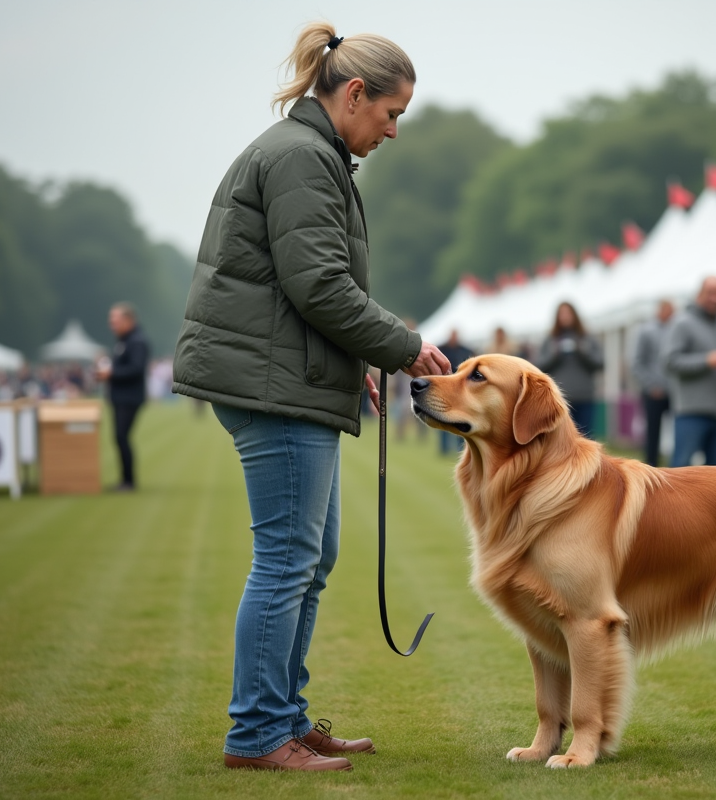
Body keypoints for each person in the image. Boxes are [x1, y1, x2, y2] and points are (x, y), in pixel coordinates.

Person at [171, 22, 451, 773]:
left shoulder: (308, 153)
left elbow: (301, 289)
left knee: (306, 555)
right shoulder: (302, 158)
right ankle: (261, 734)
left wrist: (355, 354)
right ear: (354, 94)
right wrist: (399, 344)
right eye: (392, 113)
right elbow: (318, 285)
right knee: (289, 558)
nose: (393, 130)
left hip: (278, 377)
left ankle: (285, 718)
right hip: (272, 391)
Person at [663, 277, 716, 467]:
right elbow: (670, 361)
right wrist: (706, 361)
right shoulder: (682, 323)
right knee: (681, 470)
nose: (715, 298)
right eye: (710, 293)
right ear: (698, 295)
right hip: (691, 411)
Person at [97, 303, 150, 491]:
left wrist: (111, 373)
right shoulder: (124, 340)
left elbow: (136, 369)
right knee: (120, 437)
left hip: (129, 398)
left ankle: (129, 481)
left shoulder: (136, 341)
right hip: (121, 397)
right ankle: (125, 480)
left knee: (122, 436)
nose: (112, 324)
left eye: (115, 320)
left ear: (128, 320)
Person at [536, 301, 603, 438]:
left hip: (585, 396)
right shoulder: (550, 340)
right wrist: (555, 354)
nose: (565, 317)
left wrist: (581, 351)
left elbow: (600, 363)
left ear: (574, 315)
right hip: (560, 399)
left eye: (568, 313)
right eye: (562, 314)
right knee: (562, 441)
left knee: (586, 439)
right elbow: (539, 367)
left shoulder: (587, 338)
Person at [631, 299, 674, 466]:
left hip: (673, 391)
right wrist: (650, 386)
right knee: (653, 432)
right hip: (653, 392)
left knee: (678, 431)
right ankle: (651, 466)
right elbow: (637, 363)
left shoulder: (676, 329)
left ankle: (675, 467)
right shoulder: (646, 331)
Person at [438, 329, 474, 454]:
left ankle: (460, 448)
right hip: (444, 388)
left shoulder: (465, 350)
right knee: (441, 415)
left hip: (460, 390)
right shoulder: (441, 349)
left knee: (460, 417)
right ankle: (443, 448)